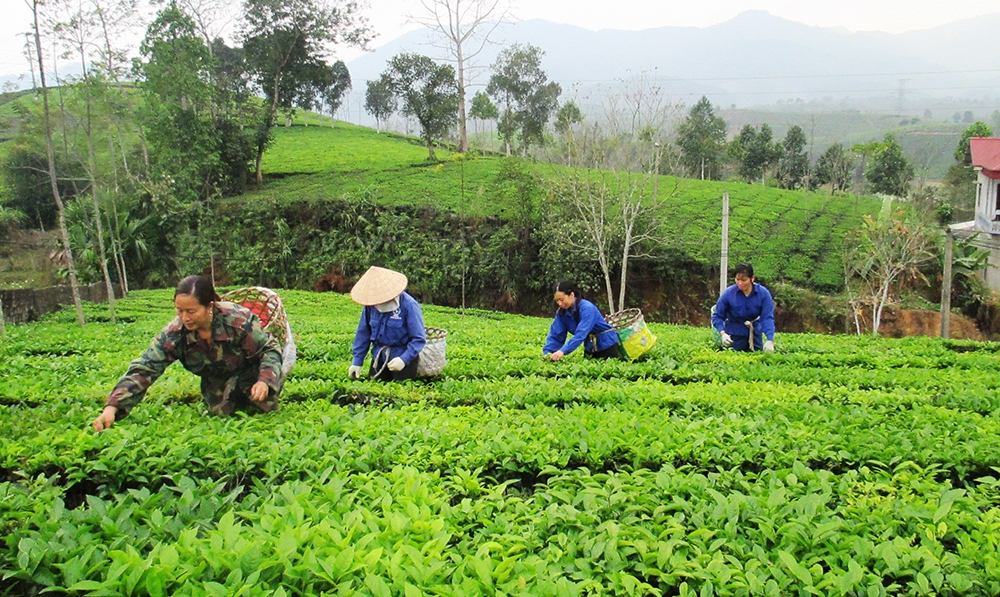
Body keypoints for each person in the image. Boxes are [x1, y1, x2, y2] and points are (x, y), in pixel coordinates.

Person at [92, 275, 284, 432]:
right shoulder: (175, 334)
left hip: (253, 373)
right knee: (222, 417)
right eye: (179, 311)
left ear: (209, 307)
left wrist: (264, 381)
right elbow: (145, 367)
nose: (185, 318)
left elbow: (270, 349)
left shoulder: (238, 320)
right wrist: (112, 407)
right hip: (216, 382)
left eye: (191, 311)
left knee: (263, 412)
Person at [349, 266, 426, 382]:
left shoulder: (409, 305)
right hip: (379, 357)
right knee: (374, 388)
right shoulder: (370, 306)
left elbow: (419, 338)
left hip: (403, 358)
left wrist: (403, 359)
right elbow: (363, 333)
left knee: (400, 390)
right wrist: (357, 361)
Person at [543, 281, 621, 361]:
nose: (559, 303)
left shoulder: (587, 308)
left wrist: (562, 351)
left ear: (571, 295)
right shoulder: (561, 313)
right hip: (590, 347)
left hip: (607, 346)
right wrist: (548, 353)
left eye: (562, 300)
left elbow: (581, 334)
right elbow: (556, 334)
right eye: (557, 300)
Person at [712, 263, 776, 352]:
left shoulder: (763, 294)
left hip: (754, 335)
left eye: (744, 280)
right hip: (734, 336)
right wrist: (723, 333)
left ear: (752, 279)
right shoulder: (729, 293)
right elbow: (717, 316)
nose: (740, 283)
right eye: (737, 279)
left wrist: (770, 339)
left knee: (757, 357)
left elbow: (767, 318)